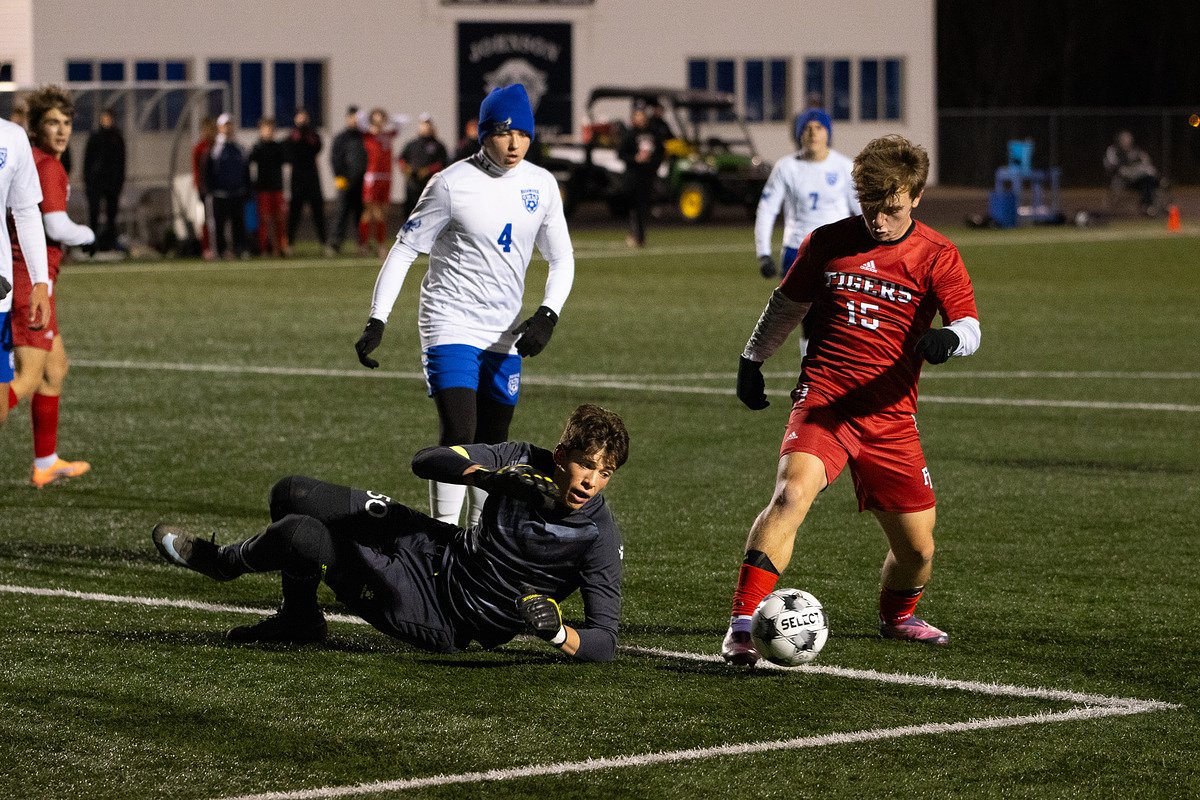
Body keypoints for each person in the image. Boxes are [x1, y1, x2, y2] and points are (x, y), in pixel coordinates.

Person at [721, 134, 982, 666]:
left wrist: (949, 338)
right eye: (870, 207)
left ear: (916, 197)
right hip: (826, 401)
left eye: (891, 209)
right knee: (790, 496)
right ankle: (743, 627)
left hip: (891, 416)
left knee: (917, 550)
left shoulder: (938, 255)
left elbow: (970, 325)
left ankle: (898, 617)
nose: (879, 221)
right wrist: (752, 359)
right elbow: (786, 305)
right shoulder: (827, 242)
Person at [151, 403, 629, 662]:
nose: (591, 482)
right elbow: (426, 461)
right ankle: (299, 618)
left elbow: (605, 639)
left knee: (300, 535)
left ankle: (224, 563)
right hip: (434, 547)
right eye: (586, 465)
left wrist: (558, 633)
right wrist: (490, 477)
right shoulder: (523, 458)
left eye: (605, 472)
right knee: (292, 492)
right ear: (561, 455)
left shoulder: (598, 536)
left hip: (440, 612)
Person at [354, 84, 575, 529]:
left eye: (523, 134)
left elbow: (561, 258)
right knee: (460, 432)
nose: (514, 144)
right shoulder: (450, 184)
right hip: (449, 320)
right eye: (504, 133)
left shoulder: (542, 185)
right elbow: (404, 250)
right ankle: (442, 533)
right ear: (484, 133)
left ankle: (476, 537)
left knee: (494, 442)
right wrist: (378, 319)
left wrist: (548, 314)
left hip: (504, 330)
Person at [3, 85, 95, 488]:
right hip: (28, 283)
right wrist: (91, 235)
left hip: (31, 279)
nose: (61, 130)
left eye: (67, 122)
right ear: (36, 127)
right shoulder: (46, 167)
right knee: (27, 377)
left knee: (55, 369)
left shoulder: (39, 160)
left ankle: (45, 462)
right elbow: (55, 225)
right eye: (52, 123)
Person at [755, 108, 861, 354]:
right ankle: (810, 374)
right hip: (798, 252)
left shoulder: (844, 167)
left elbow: (863, 212)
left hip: (837, 253)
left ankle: (833, 370)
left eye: (819, 127)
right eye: (807, 128)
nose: (813, 133)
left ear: (828, 133)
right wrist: (763, 253)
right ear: (799, 134)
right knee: (809, 321)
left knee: (837, 321)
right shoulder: (786, 167)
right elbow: (767, 209)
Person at [1, 116, 52, 430]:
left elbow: (26, 211)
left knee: (0, 408)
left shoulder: (12, 137)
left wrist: (40, 282)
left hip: (1, 292)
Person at [616, 104, 664, 248]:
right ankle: (635, 234)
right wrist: (635, 159)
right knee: (633, 206)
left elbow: (660, 152)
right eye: (637, 116)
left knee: (644, 206)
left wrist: (652, 164)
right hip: (633, 175)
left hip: (647, 176)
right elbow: (621, 154)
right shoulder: (630, 134)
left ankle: (639, 236)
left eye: (642, 115)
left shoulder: (653, 133)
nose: (641, 118)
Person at [205, 113, 249, 259]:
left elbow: (245, 170)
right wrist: (209, 189)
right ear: (219, 127)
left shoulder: (239, 147)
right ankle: (220, 250)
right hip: (219, 193)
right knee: (219, 224)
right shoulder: (214, 148)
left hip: (237, 192)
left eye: (230, 125)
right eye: (225, 125)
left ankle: (240, 249)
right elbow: (207, 170)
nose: (228, 128)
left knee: (238, 224)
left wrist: (247, 188)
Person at [285, 108, 329, 254]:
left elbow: (317, 146)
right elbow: (288, 151)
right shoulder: (292, 136)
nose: (302, 120)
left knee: (318, 212)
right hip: (297, 179)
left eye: (304, 117)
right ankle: (289, 244)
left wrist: (307, 136)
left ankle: (324, 243)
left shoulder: (313, 135)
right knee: (294, 213)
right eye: (300, 117)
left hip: (312, 178)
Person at [81, 107, 125, 253]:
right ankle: (92, 243)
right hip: (95, 183)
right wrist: (88, 180)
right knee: (94, 213)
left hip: (112, 183)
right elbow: (87, 160)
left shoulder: (117, 137)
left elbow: (121, 162)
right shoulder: (95, 137)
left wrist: (119, 181)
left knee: (111, 215)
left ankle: (109, 243)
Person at [360, 107, 402, 258]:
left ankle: (369, 244)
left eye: (381, 118)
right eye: (376, 118)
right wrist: (370, 126)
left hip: (386, 176)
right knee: (373, 211)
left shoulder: (388, 134)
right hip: (373, 177)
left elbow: (403, 122)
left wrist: (388, 121)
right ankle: (377, 245)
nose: (379, 121)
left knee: (383, 212)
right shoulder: (368, 134)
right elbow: (359, 118)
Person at [247, 117, 289, 256]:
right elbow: (249, 163)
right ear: (261, 131)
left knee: (279, 218)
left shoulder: (279, 147)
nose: (269, 132)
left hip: (277, 188)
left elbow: (287, 160)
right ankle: (264, 247)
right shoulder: (257, 147)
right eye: (266, 129)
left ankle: (280, 247)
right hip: (263, 188)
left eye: (271, 129)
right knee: (264, 219)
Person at [329, 105, 367, 255]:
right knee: (341, 213)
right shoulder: (341, 138)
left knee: (361, 214)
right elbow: (335, 158)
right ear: (347, 118)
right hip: (345, 181)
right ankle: (335, 243)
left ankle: (362, 243)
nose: (355, 120)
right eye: (352, 117)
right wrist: (339, 176)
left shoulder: (364, 137)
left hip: (362, 182)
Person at [398, 114, 449, 220]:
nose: (425, 127)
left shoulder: (438, 145)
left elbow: (442, 162)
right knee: (411, 211)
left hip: (431, 184)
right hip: (413, 184)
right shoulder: (412, 144)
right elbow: (401, 159)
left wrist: (428, 170)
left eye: (428, 124)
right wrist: (407, 169)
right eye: (423, 125)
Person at [1103, 130, 1164, 216]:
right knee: (1147, 179)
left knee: (1147, 181)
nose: (1127, 141)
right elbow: (1114, 167)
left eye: (1128, 139)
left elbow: (1147, 163)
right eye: (1124, 139)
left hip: (1137, 179)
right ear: (1119, 140)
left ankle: (1147, 207)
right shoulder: (1113, 150)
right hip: (1120, 179)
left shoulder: (1136, 151)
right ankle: (1147, 206)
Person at [191, 116, 218, 259]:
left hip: (218, 190)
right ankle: (206, 248)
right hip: (204, 190)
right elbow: (196, 169)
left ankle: (219, 247)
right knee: (205, 220)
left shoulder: (218, 147)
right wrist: (199, 186)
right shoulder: (199, 148)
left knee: (218, 220)